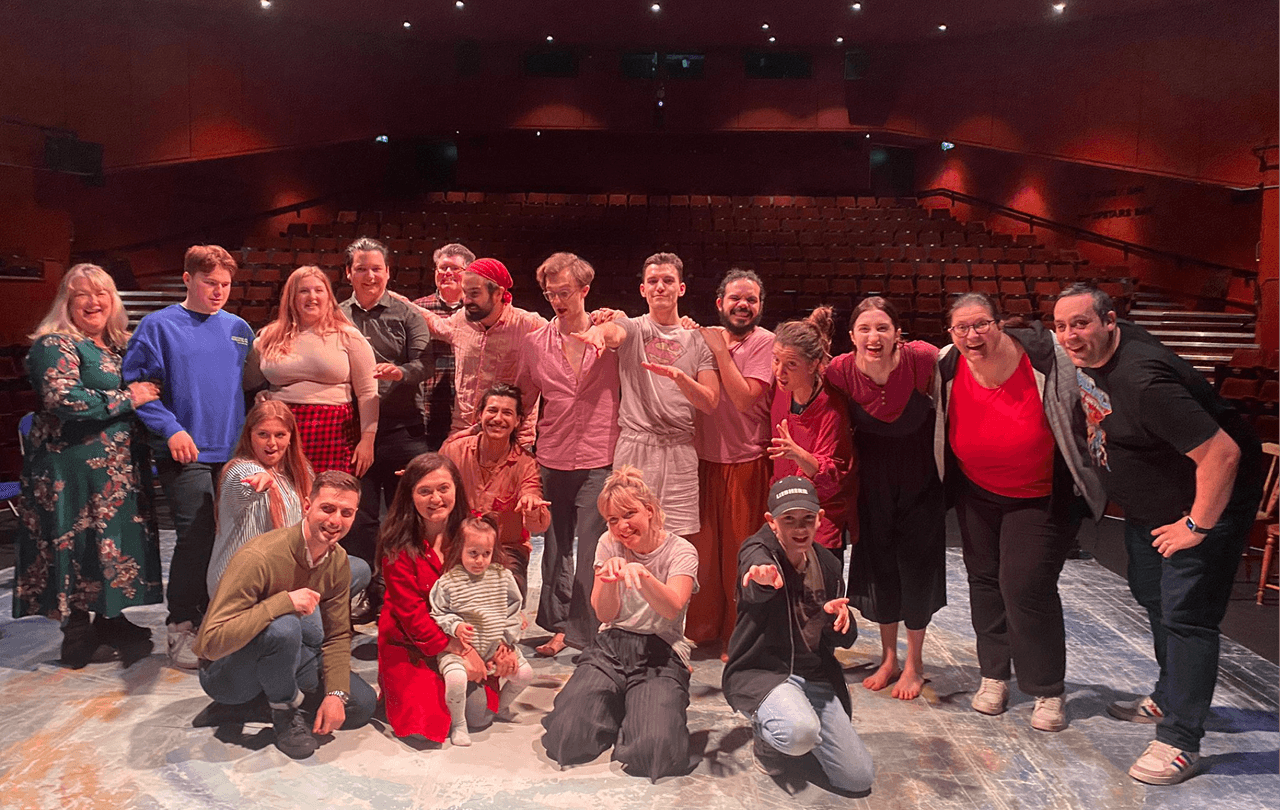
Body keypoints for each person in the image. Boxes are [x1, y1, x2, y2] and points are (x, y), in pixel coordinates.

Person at [1053, 284, 1262, 785]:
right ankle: (1170, 694)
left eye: (1080, 324)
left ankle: (1180, 740)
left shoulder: (1143, 379)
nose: (1069, 336)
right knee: (1153, 595)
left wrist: (1197, 525)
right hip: (1153, 508)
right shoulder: (1097, 353)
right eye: (1060, 326)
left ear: (1109, 320)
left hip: (1203, 506)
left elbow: (1223, 454)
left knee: (1188, 614)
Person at [933, 292, 1104, 733]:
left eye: (981, 324)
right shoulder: (947, 363)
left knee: (1025, 586)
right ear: (951, 333)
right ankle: (994, 676)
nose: (972, 335)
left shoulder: (1047, 358)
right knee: (984, 581)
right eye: (961, 328)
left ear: (999, 323)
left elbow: (1083, 410)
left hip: (1039, 494)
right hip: (977, 493)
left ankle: (1047, 689)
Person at [14, 264, 163, 667]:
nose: (93, 302)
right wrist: (128, 398)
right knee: (76, 545)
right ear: (67, 301)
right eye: (82, 294)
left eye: (102, 294)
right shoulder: (55, 343)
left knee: (110, 546)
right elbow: (64, 398)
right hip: (70, 470)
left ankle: (110, 619)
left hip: (117, 471)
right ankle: (76, 630)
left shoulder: (119, 345)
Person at [123, 244, 255, 669]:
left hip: (232, 451)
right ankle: (180, 622)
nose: (218, 291)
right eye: (209, 282)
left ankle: (217, 617)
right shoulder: (158, 326)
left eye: (225, 284)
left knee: (232, 537)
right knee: (196, 536)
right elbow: (140, 390)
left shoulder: (239, 328)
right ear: (187, 279)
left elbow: (249, 388)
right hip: (187, 449)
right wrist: (172, 428)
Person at [192, 471, 378, 760]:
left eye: (346, 512)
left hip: (289, 657)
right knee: (286, 626)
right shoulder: (259, 556)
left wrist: (335, 694)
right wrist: (282, 603)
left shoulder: (337, 560)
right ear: (307, 506)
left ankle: (256, 705)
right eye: (327, 508)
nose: (335, 521)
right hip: (228, 671)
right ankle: (282, 712)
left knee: (360, 706)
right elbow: (210, 645)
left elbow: (338, 635)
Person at [540, 466, 699, 781]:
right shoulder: (608, 543)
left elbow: (672, 607)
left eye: (629, 515)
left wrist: (643, 576)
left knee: (656, 750)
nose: (622, 527)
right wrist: (609, 579)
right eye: (613, 520)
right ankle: (620, 702)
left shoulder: (681, 550)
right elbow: (605, 614)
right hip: (611, 646)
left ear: (649, 511)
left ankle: (638, 705)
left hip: (660, 651)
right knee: (566, 737)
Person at [825, 297, 945, 701]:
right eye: (865, 329)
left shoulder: (922, 360)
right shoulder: (840, 370)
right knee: (880, 570)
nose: (873, 337)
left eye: (882, 328)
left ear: (898, 333)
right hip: (872, 486)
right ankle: (889, 658)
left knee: (916, 571)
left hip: (921, 484)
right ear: (852, 335)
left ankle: (915, 664)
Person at [723, 477, 875, 795]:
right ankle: (770, 739)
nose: (799, 528)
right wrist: (761, 578)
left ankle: (796, 730)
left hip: (814, 676)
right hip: (765, 672)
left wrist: (839, 622)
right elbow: (754, 575)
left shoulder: (829, 565)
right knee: (798, 732)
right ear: (772, 522)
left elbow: (841, 641)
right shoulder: (759, 551)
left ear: (820, 519)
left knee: (858, 778)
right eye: (788, 519)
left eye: (807, 519)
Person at [514, 252, 620, 657]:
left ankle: (583, 629)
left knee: (591, 544)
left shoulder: (608, 331)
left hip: (598, 453)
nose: (557, 300)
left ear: (584, 291)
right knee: (555, 546)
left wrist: (609, 328)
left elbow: (627, 331)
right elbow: (525, 396)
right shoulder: (536, 343)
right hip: (553, 452)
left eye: (564, 292)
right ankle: (557, 626)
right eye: (550, 293)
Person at [574, 253, 720, 538]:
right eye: (652, 281)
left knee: (676, 539)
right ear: (643, 289)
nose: (660, 287)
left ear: (681, 288)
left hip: (679, 451)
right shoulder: (634, 327)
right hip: (635, 449)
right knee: (626, 534)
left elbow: (710, 402)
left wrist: (680, 378)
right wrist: (598, 333)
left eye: (668, 281)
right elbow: (614, 331)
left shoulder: (698, 339)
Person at [377, 453, 519, 742]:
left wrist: (503, 642)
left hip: (470, 637)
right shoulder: (397, 546)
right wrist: (458, 650)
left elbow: (498, 588)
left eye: (443, 488)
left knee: (478, 716)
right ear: (410, 495)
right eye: (424, 491)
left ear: (456, 488)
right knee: (424, 728)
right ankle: (393, 694)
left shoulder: (472, 533)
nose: (436, 499)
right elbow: (412, 615)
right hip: (414, 642)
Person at [338, 238, 432, 618]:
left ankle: (403, 594)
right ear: (349, 273)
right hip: (353, 431)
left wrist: (400, 372)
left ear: (388, 272)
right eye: (361, 268)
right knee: (359, 518)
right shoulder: (337, 315)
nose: (369, 275)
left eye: (376, 268)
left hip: (402, 430)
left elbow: (424, 363)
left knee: (406, 515)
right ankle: (366, 593)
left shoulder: (408, 313)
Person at [205, 400, 371, 608]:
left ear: (291, 437)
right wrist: (259, 482)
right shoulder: (238, 469)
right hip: (243, 585)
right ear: (250, 436)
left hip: (286, 576)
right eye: (263, 434)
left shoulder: (301, 474)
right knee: (291, 630)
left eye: (280, 435)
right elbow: (244, 484)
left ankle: (308, 621)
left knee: (356, 569)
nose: (271, 443)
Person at [686, 268, 774, 653]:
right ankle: (702, 629)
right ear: (720, 303)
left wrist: (718, 349)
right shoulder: (699, 338)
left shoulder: (766, 343)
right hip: (702, 461)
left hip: (746, 462)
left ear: (760, 307)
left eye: (751, 300)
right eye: (736, 298)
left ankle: (737, 638)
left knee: (740, 555)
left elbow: (743, 398)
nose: (743, 305)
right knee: (703, 557)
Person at [244, 265, 379, 476]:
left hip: (334, 431)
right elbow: (251, 384)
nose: (312, 297)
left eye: (319, 290)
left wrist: (368, 439)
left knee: (328, 498)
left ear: (328, 296)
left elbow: (368, 393)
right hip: (280, 431)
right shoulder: (268, 337)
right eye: (303, 291)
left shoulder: (348, 336)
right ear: (291, 297)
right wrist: (261, 396)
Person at [410, 257, 546, 446]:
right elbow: (435, 324)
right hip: (463, 434)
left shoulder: (529, 325)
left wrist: (599, 323)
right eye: (465, 293)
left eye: (474, 293)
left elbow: (566, 334)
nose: (466, 300)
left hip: (511, 439)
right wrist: (394, 299)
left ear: (498, 294)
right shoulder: (461, 321)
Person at [429, 513, 534, 746]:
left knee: (525, 674)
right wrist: (455, 626)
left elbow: (513, 610)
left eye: (486, 554)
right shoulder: (449, 581)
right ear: (460, 550)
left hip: (496, 645)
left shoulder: (502, 577)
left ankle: (502, 708)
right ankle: (458, 723)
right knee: (455, 679)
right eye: (473, 553)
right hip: (460, 650)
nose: (479, 560)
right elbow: (438, 612)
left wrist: (506, 643)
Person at [440, 383, 550, 597]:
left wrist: (532, 506)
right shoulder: (455, 450)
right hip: (457, 544)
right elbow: (436, 480)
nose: (498, 418)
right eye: (492, 410)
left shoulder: (526, 463)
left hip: (505, 548)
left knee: (507, 592)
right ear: (480, 415)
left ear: (518, 421)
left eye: (507, 413)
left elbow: (536, 515)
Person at [767, 307, 857, 552]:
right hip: (783, 507)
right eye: (776, 360)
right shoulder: (780, 390)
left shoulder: (832, 406)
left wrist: (798, 453)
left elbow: (832, 479)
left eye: (791, 364)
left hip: (820, 516)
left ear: (813, 365)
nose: (779, 372)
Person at [414, 243, 474, 449]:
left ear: (469, 274)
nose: (447, 273)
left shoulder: (478, 311)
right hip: (425, 410)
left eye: (455, 268)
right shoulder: (418, 309)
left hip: (466, 412)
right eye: (442, 268)